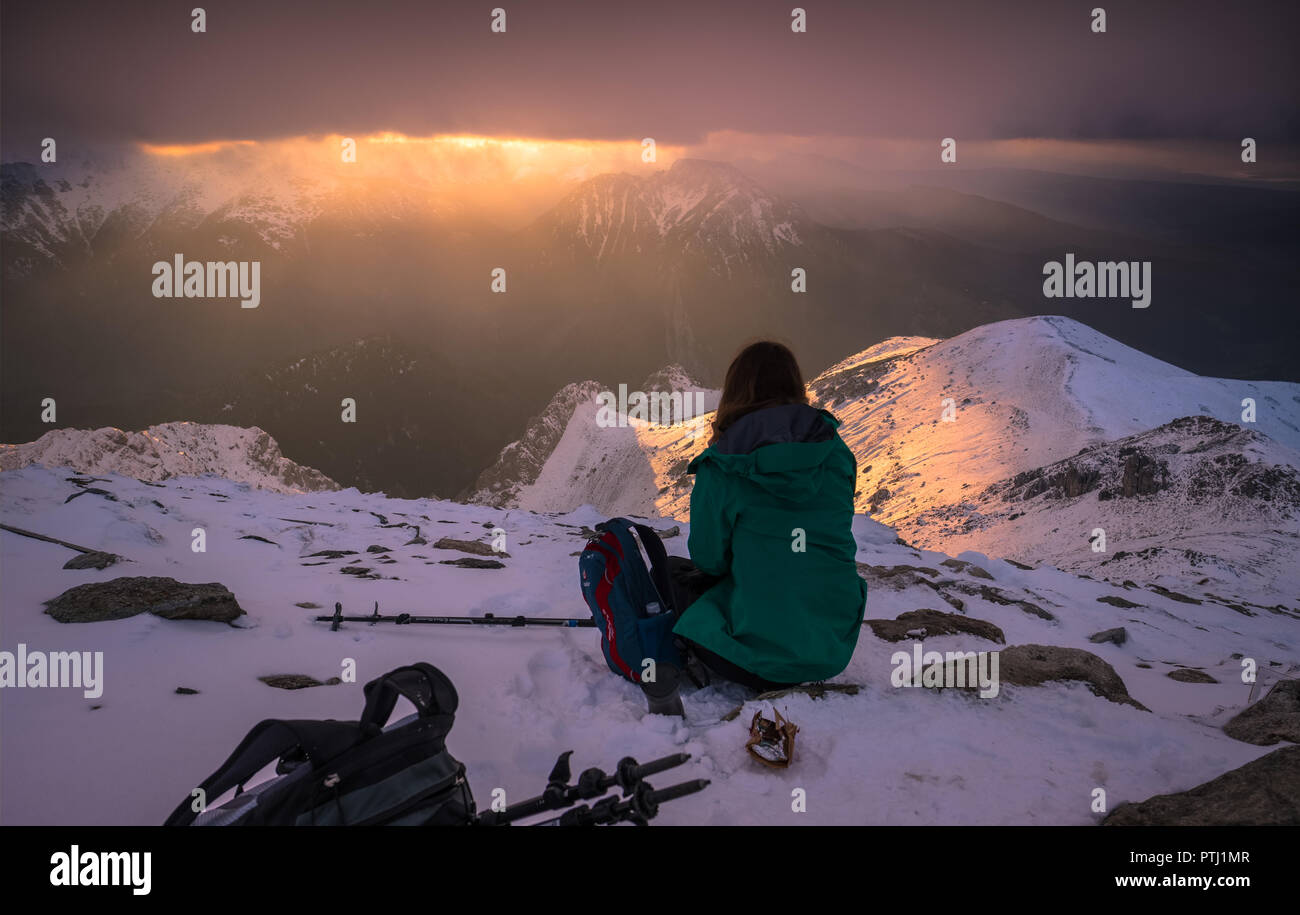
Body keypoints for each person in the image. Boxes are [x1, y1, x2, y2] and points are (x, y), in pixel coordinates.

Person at [668, 340, 867, 694]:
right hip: (832, 646)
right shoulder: (837, 452)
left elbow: (709, 559)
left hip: (754, 661)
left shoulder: (724, 465)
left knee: (669, 573)